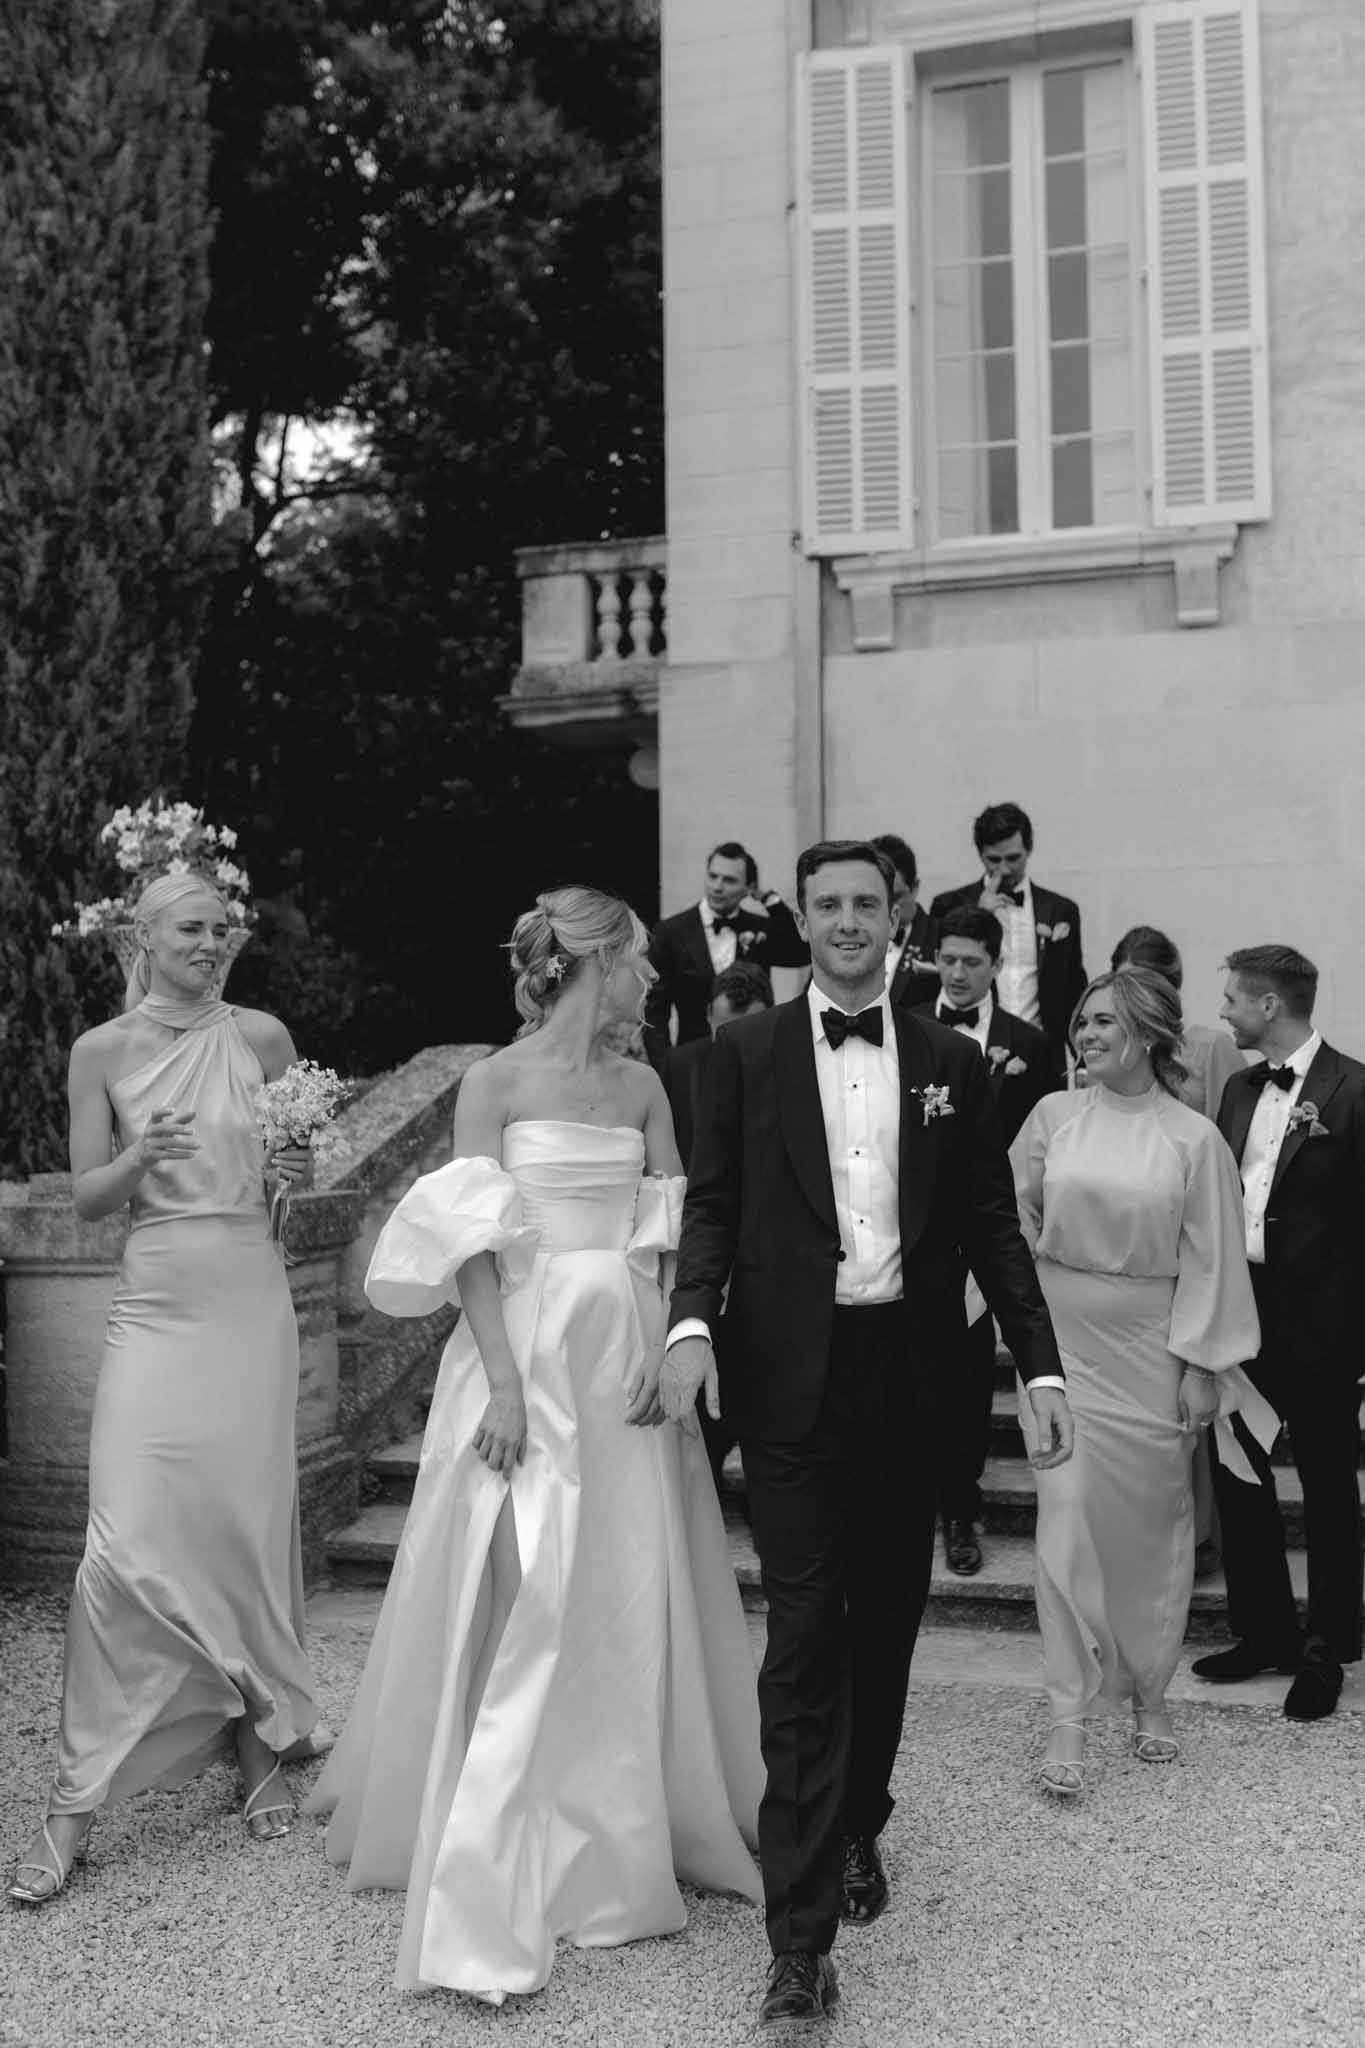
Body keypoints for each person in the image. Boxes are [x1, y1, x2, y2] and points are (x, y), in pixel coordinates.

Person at [305, 886, 763, 2003]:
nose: (658, 979)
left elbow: (668, 1233)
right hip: (516, 1357)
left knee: (618, 1578)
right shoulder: (495, 1082)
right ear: (597, 962)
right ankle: (494, 1813)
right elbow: (468, 1239)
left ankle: (620, 1818)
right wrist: (504, 1381)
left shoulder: (650, 1083)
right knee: (518, 1582)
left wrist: (671, 1346)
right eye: (645, 961)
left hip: (620, 1360)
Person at [658, 839, 1070, 2033]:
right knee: (803, 1633)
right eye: (827, 903)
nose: (846, 921)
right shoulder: (738, 1054)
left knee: (887, 1626)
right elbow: (714, 1204)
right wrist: (690, 1320)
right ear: (809, 920)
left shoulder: (949, 1059)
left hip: (912, 1379)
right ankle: (796, 1946)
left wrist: (1037, 1359)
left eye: (865, 903)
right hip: (788, 1382)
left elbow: (992, 1223)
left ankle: (857, 1822)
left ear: (897, 914)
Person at [9, 873, 321, 1906]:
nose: (214, 941)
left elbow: (296, 1169)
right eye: (193, 927)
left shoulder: (266, 1036)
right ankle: (73, 1797)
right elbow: (89, 1195)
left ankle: (260, 1735)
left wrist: (290, 1165)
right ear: (141, 937)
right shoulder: (99, 1050)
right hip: (156, 1300)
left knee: (241, 1524)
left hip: (248, 1300)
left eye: (224, 927)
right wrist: (145, 1151)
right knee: (124, 1538)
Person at [1010, 967, 1268, 1800]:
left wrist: (1201, 1366)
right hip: (1059, 1355)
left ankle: (1149, 1692)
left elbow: (1212, 1259)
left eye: (1102, 1022)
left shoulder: (1193, 1139)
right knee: (1063, 1525)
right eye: (1080, 1022)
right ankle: (1067, 1715)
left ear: (1150, 1034)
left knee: (1151, 1535)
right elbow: (1004, 1216)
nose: (1084, 1035)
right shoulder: (1051, 1117)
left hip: (1151, 1354)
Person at [1193, 946, 1365, 1721]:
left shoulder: (1354, 1089)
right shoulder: (1233, 1089)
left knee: (1327, 1490)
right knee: (1238, 1477)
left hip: (1325, 1326)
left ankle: (1327, 1650)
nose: (1223, 1010)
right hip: (1242, 1316)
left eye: (1232, 999)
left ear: (1269, 1006)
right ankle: (1263, 1633)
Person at [913, 906, 1064, 1575]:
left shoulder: (1027, 1044)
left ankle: (962, 1506)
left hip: (994, 1236)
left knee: (974, 1382)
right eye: (947, 959)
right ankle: (927, 1500)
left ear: (996, 965)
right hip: (918, 1233)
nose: (957, 972)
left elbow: (1051, 1144)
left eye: (971, 961)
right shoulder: (905, 1027)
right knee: (922, 1373)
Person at [1108, 924, 1246, 1575]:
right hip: (1122, 1262)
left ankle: (1194, 1537)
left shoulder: (1210, 1047)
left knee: (1185, 1408)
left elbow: (1235, 1144)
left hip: (1191, 1249)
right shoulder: (1103, 1049)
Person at [663, 961, 774, 1494]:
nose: (731, 1041)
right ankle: (700, 1491)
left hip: (763, 1251)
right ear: (706, 1015)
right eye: (721, 1026)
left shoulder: (789, 1070)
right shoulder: (676, 1067)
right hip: (693, 1243)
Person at [930, 802, 1086, 1068]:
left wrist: (1081, 1059)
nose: (1004, 869)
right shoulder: (950, 905)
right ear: (980, 855)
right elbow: (942, 977)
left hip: (1044, 1047)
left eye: (1013, 858)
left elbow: (1074, 987)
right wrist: (979, 914)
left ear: (1029, 850)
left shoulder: (1061, 909)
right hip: (977, 1044)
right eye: (994, 860)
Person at [643, 840, 807, 1065]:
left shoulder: (760, 927)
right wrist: (665, 1065)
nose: (717, 886)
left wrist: (769, 900)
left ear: (748, 888)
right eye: (713, 876)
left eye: (729, 880)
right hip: (693, 1062)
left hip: (755, 1059)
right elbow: (655, 1009)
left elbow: (801, 951)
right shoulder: (670, 932)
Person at [1109, 926, 1245, 1119]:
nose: (1135, 993)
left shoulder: (1211, 1046)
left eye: (1146, 983)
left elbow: (1233, 1134)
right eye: (1125, 983)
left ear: (1170, 983)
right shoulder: (1113, 1048)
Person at [871, 834, 939, 1012]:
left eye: (895, 897)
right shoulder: (846, 937)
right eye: (873, 899)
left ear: (915, 887)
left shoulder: (940, 938)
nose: (885, 908)